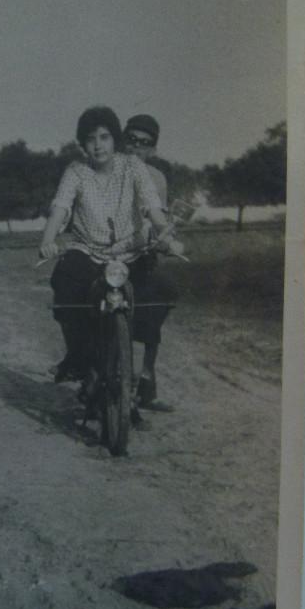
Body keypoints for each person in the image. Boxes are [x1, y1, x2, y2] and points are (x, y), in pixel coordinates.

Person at [39, 106, 182, 424]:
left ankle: (137, 374)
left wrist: (166, 236)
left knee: (159, 289)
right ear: (81, 144)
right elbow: (61, 208)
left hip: (129, 252)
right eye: (90, 139)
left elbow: (152, 207)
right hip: (87, 250)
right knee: (64, 281)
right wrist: (48, 239)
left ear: (114, 140)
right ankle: (77, 356)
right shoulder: (76, 171)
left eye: (105, 137)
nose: (98, 145)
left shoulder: (134, 167)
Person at [123, 114, 178, 410]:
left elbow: (162, 219)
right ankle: (92, 371)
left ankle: (146, 376)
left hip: (144, 252)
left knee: (162, 289)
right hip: (109, 254)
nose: (136, 147)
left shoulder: (158, 178)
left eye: (144, 144)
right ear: (122, 142)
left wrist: (167, 239)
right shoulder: (104, 170)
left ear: (153, 150)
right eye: (130, 140)